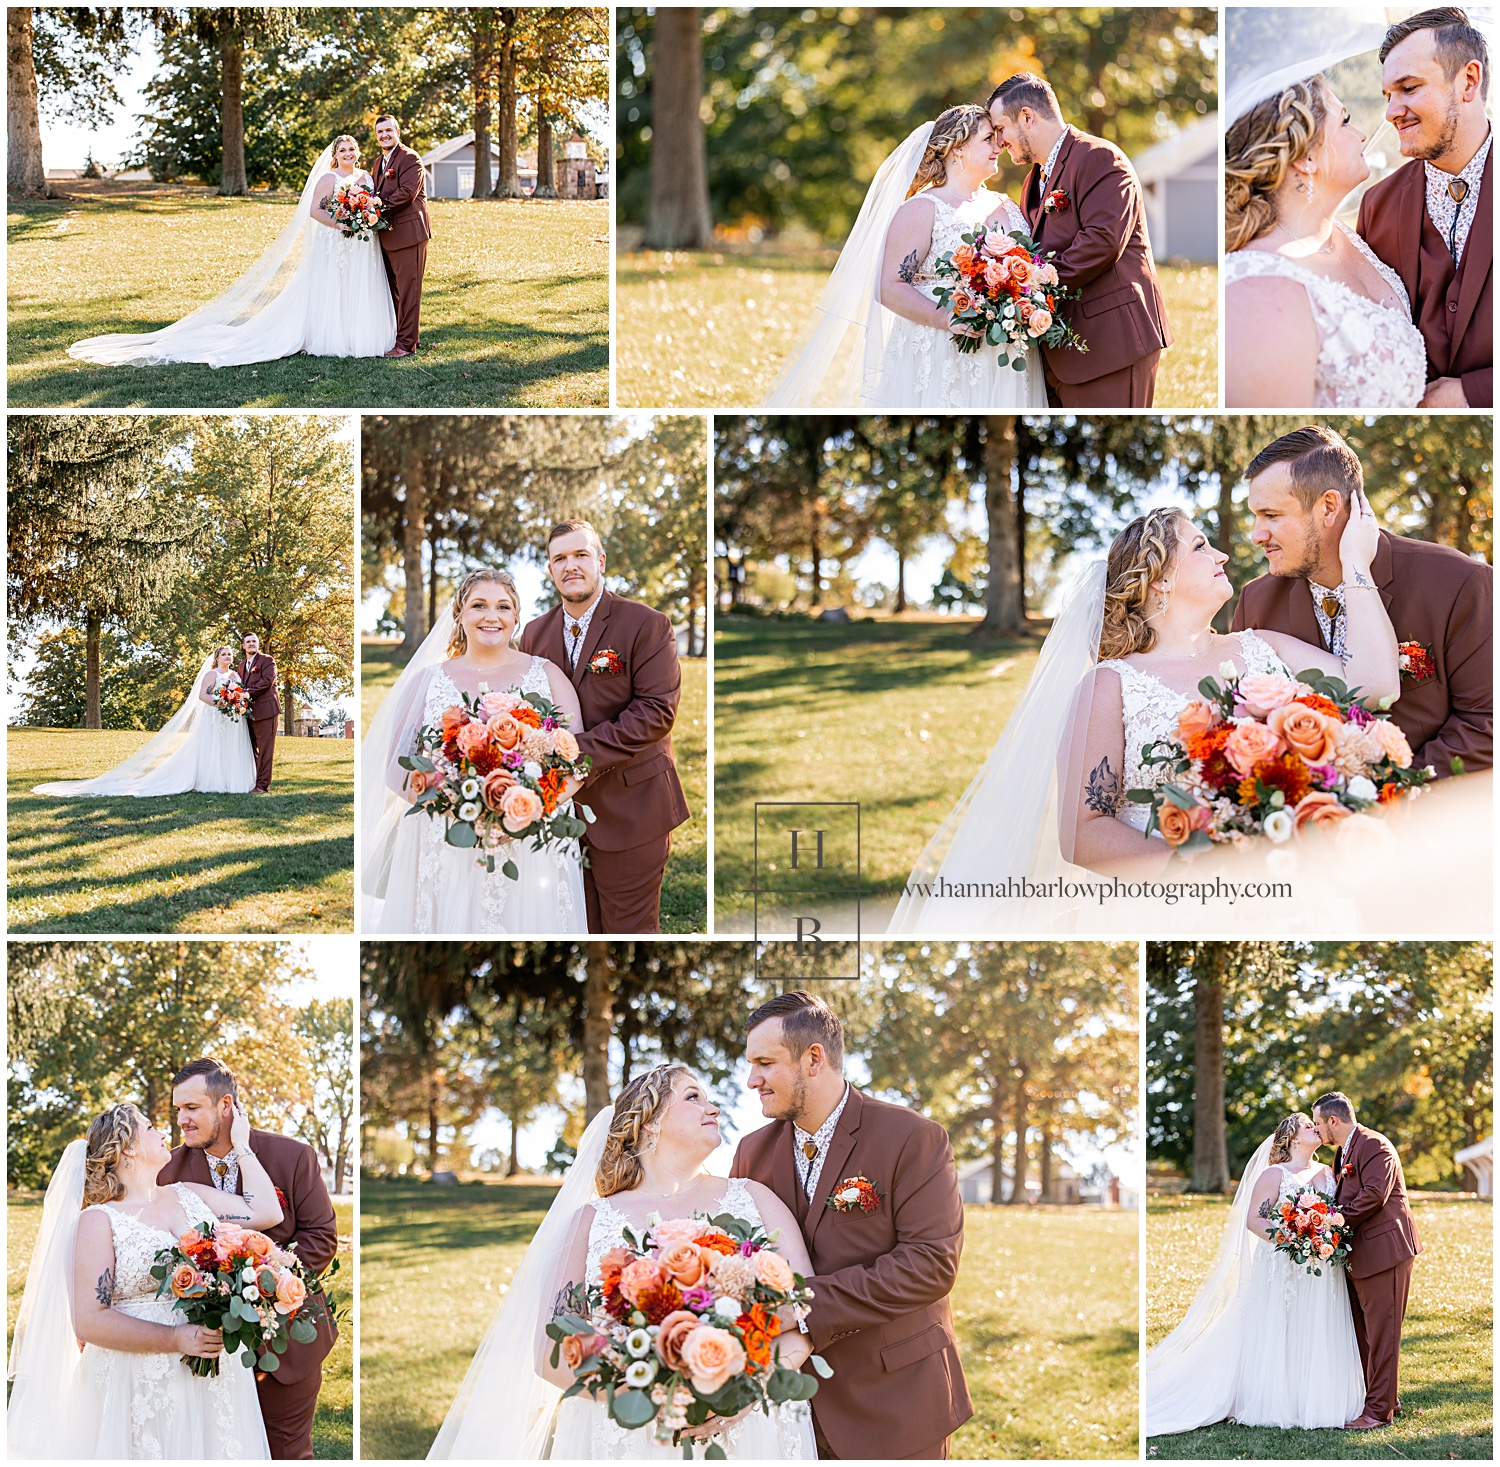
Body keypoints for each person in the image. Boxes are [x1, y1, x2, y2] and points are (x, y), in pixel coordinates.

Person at [426, 1066, 816, 1458]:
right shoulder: (591, 1222)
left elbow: (809, 1311)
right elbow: (552, 1352)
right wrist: (658, 1398)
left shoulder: (755, 1198)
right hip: (631, 1435)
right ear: (649, 1123)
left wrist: (747, 1391)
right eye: (692, 1096)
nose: (713, 1107)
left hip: (751, 1430)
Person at [730, 992, 973, 1459]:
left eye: (764, 1062)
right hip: (788, 1406)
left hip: (895, 1401)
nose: (751, 1079)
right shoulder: (750, 1153)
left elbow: (930, 1266)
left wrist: (804, 1312)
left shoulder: (912, 1138)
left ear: (813, 1059)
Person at [7, 1100, 282, 1458]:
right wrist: (175, 1338)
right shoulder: (98, 1221)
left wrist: (241, 1146)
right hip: (138, 1381)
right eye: (150, 1126)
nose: (164, 1130)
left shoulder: (190, 1194)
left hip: (214, 1377)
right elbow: (89, 1321)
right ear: (129, 1147)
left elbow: (266, 1211)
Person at [1232, 425, 1492, 776]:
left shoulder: (1459, 582)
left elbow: (1485, 724)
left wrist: (1393, 796)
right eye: (1255, 515)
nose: (1256, 535)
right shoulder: (1255, 602)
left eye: (1271, 515)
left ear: (1328, 507)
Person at [760, 106, 1046, 410]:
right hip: (943, 349)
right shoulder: (922, 209)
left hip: (1007, 350)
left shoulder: (1008, 206)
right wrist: (945, 317)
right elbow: (890, 286)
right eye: (988, 138)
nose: (999, 145)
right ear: (958, 149)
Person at [363, 567, 587, 933]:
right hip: (445, 835)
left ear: (516, 617)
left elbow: (575, 763)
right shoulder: (427, 681)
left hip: (529, 836)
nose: (491, 616)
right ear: (460, 614)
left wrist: (526, 810)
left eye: (503, 607)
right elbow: (394, 769)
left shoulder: (548, 676)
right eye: (478, 605)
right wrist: (461, 810)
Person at [66, 137, 396, 368]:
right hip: (337, 242)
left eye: (352, 149)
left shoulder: (365, 176)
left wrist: (365, 218)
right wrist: (342, 225)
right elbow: (315, 211)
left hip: (360, 247)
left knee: (357, 288)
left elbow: (371, 204)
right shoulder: (328, 177)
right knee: (333, 289)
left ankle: (359, 336)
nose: (348, 153)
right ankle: (333, 338)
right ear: (335, 154)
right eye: (343, 150)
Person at [157, 1058, 342, 1460]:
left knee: (285, 1453)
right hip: (206, 1345)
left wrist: (266, 1285)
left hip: (288, 1340)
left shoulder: (293, 1156)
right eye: (178, 1110)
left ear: (226, 1106)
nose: (182, 1120)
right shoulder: (167, 1168)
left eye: (192, 1109)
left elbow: (321, 1237)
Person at [518, 521, 692, 933]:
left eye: (580, 555)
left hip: (633, 809)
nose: (570, 565)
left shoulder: (646, 624)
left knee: (628, 935)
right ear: (549, 569)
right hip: (557, 819)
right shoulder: (533, 634)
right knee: (577, 929)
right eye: (559, 558)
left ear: (600, 561)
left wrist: (573, 751)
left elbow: (655, 712)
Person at [1144, 1113, 1365, 1435]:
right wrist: (1295, 1239)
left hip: (1322, 1263)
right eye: (1308, 1126)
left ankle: (1317, 1397)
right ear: (1291, 1138)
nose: (1316, 1129)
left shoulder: (1328, 1172)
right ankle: (1277, 1398)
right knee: (1281, 1325)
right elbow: (1256, 1220)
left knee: (1317, 1323)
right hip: (1285, 1262)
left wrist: (1321, 1238)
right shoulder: (1274, 1175)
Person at [989, 72, 1173, 407]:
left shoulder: (1099, 158)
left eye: (1001, 128)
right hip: (1058, 351)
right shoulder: (1032, 181)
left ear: (1026, 117)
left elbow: (1102, 241)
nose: (999, 141)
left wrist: (1027, 286)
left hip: (1111, 346)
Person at [1357, 8, 1492, 408]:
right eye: (1388, 95)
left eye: (1409, 88)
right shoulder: (1376, 205)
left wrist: (1476, 392)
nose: (1391, 111)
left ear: (1468, 81)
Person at [1314, 1091, 1423, 1430]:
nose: (1317, 1130)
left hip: (1385, 1252)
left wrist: (1333, 1221)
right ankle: (1384, 1397)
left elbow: (1374, 1195)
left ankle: (1378, 1413)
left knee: (1383, 1333)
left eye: (1318, 1123)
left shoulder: (1375, 1145)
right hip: (1358, 1256)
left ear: (1334, 1120)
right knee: (1362, 1332)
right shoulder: (1342, 1152)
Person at [33, 644, 259, 798]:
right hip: (214, 719)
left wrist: (236, 703)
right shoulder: (212, 675)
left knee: (229, 750)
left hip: (232, 721)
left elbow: (239, 693)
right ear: (217, 658)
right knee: (213, 750)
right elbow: (203, 695)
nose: (228, 658)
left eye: (230, 655)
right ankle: (214, 783)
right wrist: (222, 703)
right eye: (224, 655)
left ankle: (233, 782)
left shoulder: (235, 676)